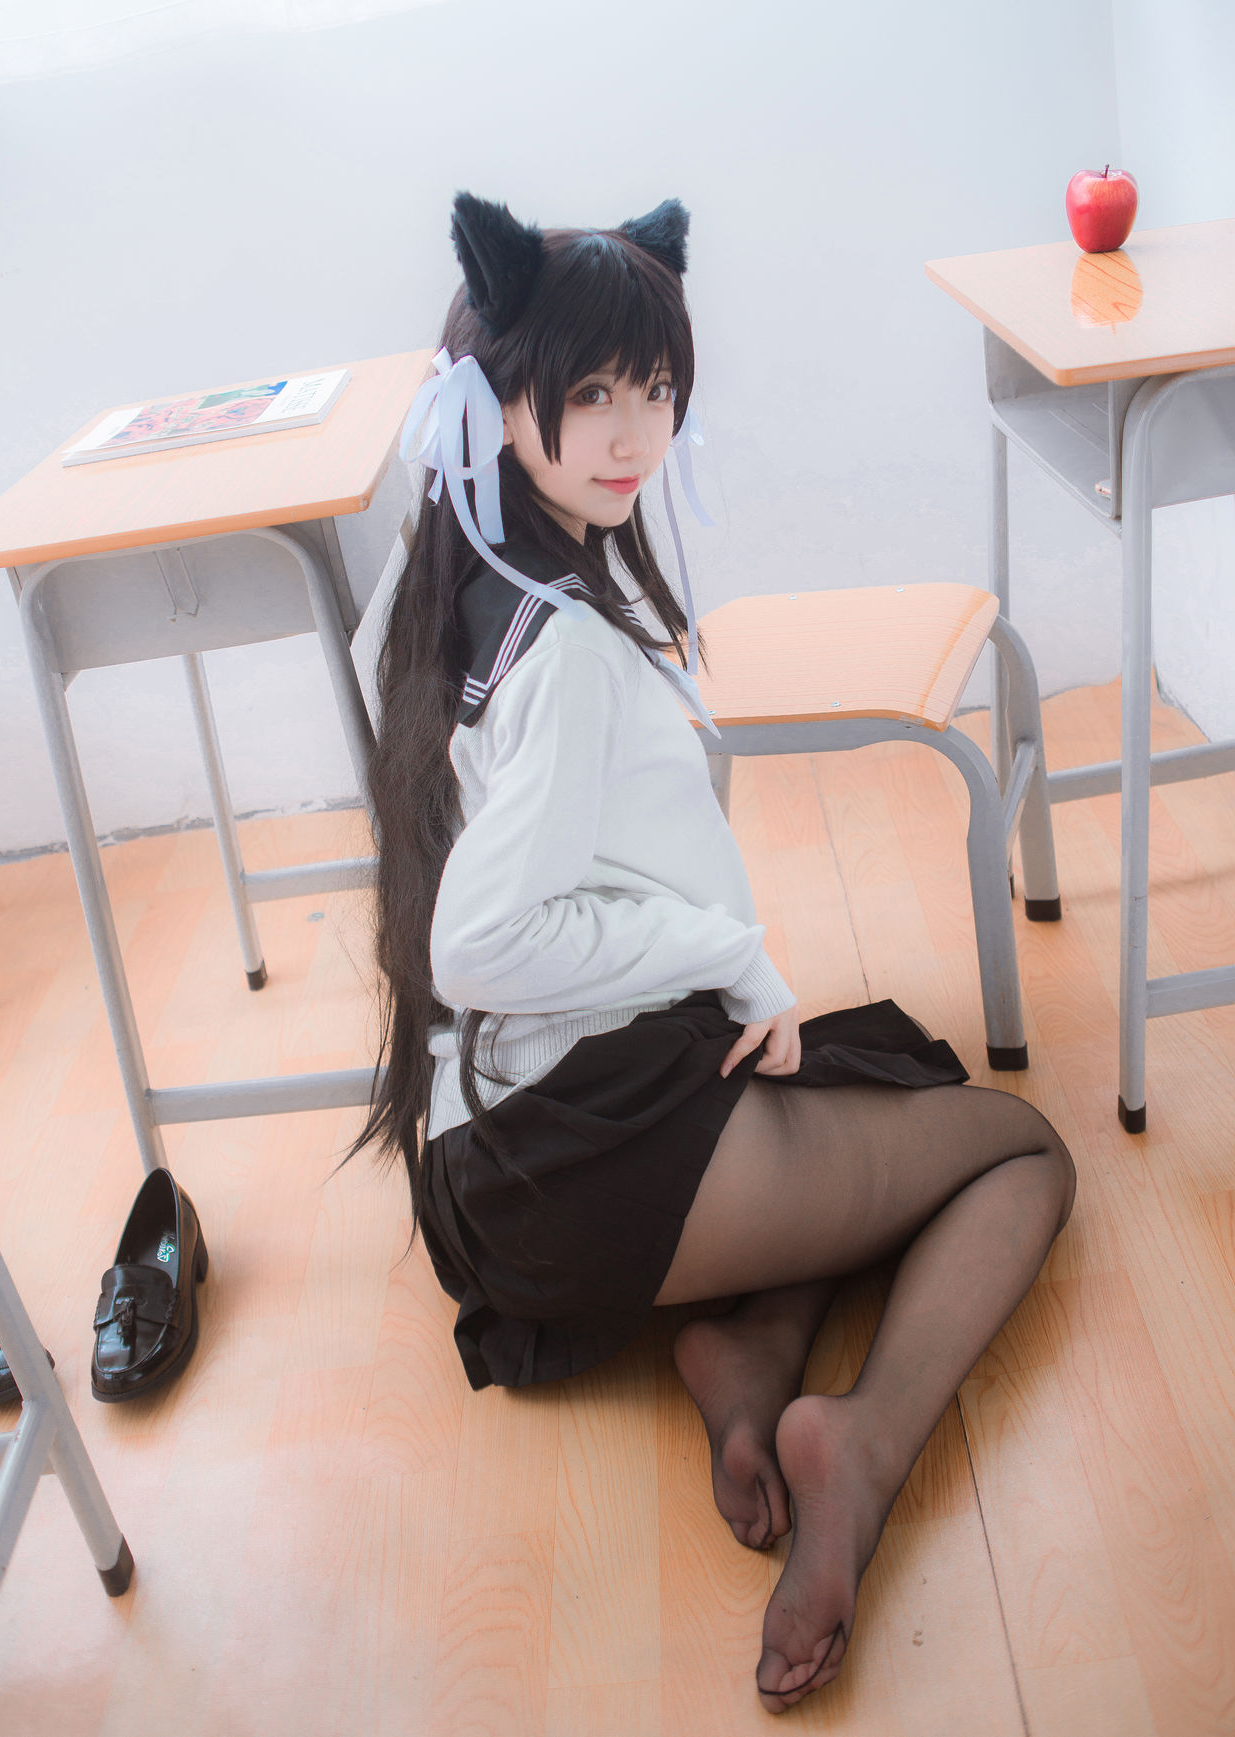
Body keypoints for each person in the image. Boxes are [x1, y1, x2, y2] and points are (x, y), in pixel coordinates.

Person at [352, 191, 1076, 1713]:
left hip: (497, 1150)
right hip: (575, 1158)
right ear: (499, 401)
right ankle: (857, 1448)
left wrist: (719, 969)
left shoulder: (431, 577)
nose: (636, 434)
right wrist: (728, 953)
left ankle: (746, 1358)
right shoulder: (570, 651)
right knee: (1018, 1153)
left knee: (884, 1063)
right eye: (593, 394)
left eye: (657, 387)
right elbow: (480, 940)